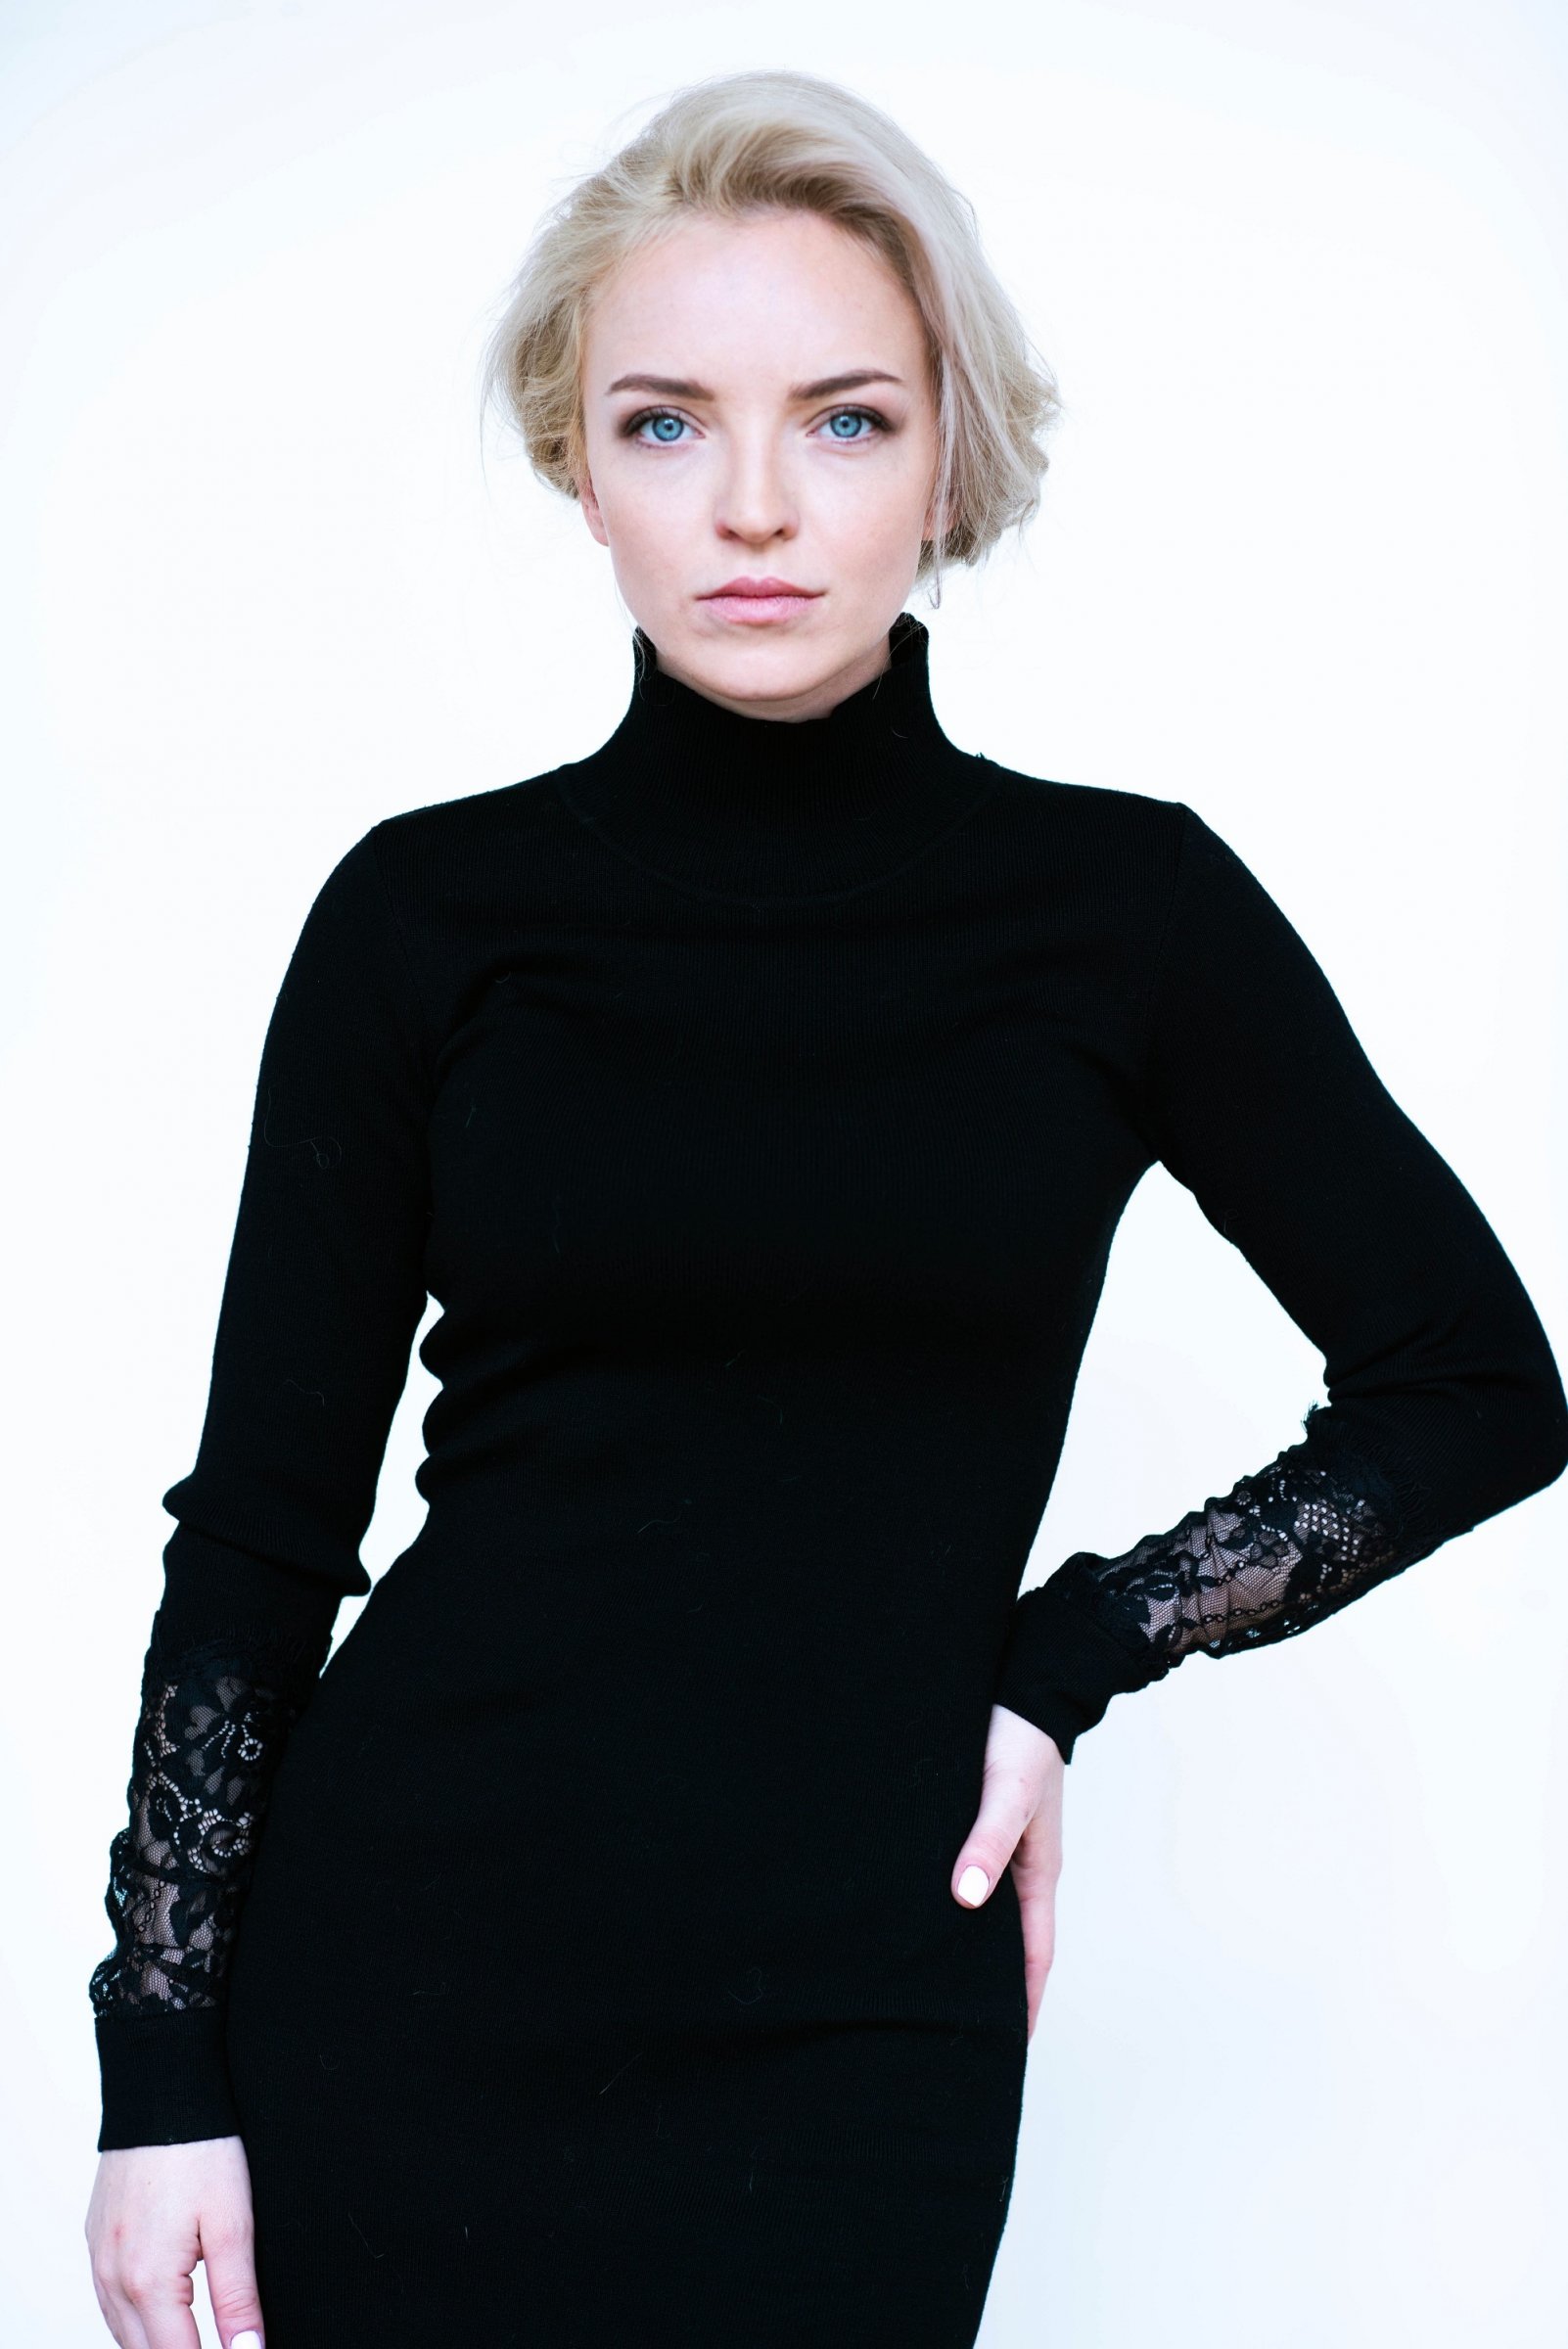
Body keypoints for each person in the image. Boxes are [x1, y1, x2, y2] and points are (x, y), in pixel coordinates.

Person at [83, 64, 1567, 2349]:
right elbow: (265, 1538)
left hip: (862, 2006)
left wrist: (1072, 1656)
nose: (754, 503)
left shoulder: (1123, 917)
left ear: (949, 456)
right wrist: (162, 2067)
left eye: (845, 419)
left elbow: (1478, 1385)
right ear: (579, 465)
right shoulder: (428, 919)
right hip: (409, 1981)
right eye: (667, 423)